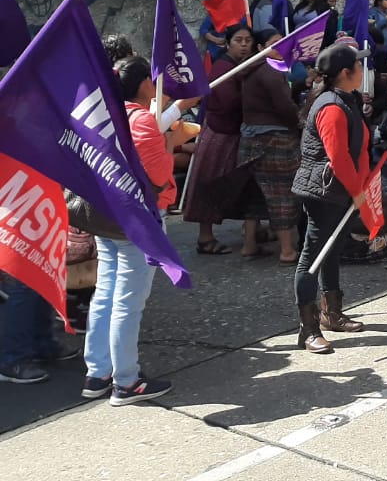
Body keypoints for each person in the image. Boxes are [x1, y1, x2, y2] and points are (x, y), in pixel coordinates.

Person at [81, 56, 178, 404]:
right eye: (151, 79)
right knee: (128, 300)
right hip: (137, 221)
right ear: (142, 85)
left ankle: (98, 373)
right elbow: (158, 174)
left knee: (105, 292)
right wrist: (169, 143)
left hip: (104, 217)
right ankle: (127, 381)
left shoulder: (102, 115)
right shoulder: (140, 121)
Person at [291, 42, 376, 353]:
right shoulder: (330, 107)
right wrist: (357, 192)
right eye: (358, 65)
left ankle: (332, 313)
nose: (363, 70)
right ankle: (308, 328)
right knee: (312, 257)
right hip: (324, 191)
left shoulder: (347, 99)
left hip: (342, 190)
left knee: (333, 250)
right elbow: (338, 157)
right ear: (345, 73)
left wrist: (362, 186)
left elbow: (359, 149)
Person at [184, 24, 265, 255]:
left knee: (247, 184)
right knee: (209, 184)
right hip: (220, 135)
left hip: (236, 133)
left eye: (247, 40)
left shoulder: (242, 67)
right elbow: (229, 101)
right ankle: (205, 238)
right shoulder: (222, 67)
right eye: (238, 40)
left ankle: (253, 231)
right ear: (228, 43)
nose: (243, 45)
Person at [238, 29, 302, 263]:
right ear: (260, 48)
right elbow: (284, 107)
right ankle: (287, 250)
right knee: (281, 194)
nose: (280, 47)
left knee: (254, 194)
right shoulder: (270, 70)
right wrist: (300, 121)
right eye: (275, 43)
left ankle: (249, 244)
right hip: (273, 141)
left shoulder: (250, 70)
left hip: (251, 140)